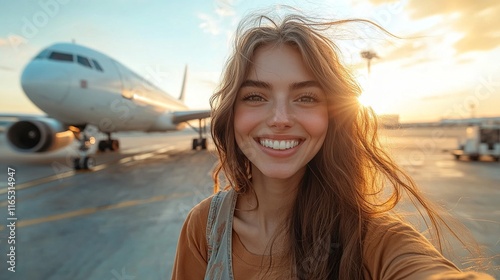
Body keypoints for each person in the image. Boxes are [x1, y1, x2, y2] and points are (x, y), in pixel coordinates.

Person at [172, 12, 493, 280]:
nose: (280, 118)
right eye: (255, 96)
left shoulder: (372, 238)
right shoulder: (205, 226)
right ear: (231, 112)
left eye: (306, 97)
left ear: (332, 117)